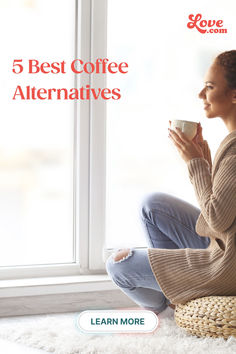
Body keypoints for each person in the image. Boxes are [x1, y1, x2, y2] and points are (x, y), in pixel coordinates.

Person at [105, 50, 236, 315]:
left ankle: (162, 307)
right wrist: (206, 163)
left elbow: (217, 219)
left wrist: (195, 164)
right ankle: (176, 293)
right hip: (225, 244)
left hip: (227, 265)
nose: (201, 95)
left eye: (210, 87)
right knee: (152, 205)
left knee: (119, 266)